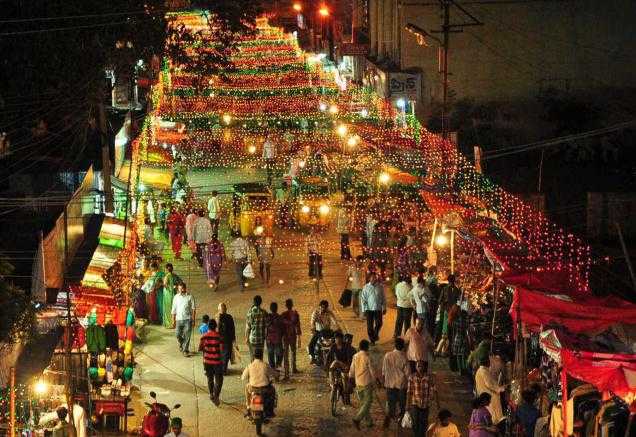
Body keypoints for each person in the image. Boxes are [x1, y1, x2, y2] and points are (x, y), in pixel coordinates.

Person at [382, 337, 410, 429]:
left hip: (389, 384)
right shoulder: (404, 357)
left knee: (391, 404)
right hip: (401, 385)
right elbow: (408, 374)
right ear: (402, 346)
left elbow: (384, 371)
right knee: (402, 405)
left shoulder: (387, 355)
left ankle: (388, 419)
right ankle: (400, 422)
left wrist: (383, 381)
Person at [349, 340, 378, 430]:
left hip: (358, 383)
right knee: (367, 403)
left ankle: (369, 422)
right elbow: (372, 371)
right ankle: (357, 419)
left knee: (363, 404)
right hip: (366, 383)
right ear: (367, 347)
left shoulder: (355, 356)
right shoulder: (367, 357)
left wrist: (350, 378)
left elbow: (352, 369)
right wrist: (376, 381)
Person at [241, 348, 277, 415]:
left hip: (253, 389)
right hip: (265, 389)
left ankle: (248, 406)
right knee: (273, 389)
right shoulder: (265, 365)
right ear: (261, 356)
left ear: (254, 356)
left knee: (246, 387)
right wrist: (276, 374)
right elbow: (273, 374)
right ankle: (271, 410)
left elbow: (243, 377)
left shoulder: (250, 366)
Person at [406, 360, 437, 437]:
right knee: (415, 422)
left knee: (424, 422)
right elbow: (409, 391)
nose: (420, 368)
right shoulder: (412, 377)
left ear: (424, 367)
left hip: (425, 404)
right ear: (416, 367)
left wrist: (436, 402)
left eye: (421, 366)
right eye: (418, 366)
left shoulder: (428, 378)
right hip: (415, 403)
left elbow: (433, 389)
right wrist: (407, 404)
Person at [199, 319, 224, 406]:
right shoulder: (219, 336)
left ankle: (211, 394)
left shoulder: (203, 336)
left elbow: (200, 348)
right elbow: (221, 350)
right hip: (217, 361)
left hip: (207, 361)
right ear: (215, 327)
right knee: (219, 380)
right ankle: (216, 395)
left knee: (210, 378)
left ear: (208, 327)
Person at [474, 357, 505, 425]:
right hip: (490, 396)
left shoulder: (481, 370)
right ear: (486, 363)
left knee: (492, 414)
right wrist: (499, 389)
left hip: (486, 395)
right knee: (494, 415)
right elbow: (489, 384)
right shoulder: (483, 371)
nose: (490, 364)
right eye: (489, 362)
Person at [326, 332, 356, 403]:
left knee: (345, 380)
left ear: (342, 339)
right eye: (336, 339)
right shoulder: (333, 347)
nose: (338, 340)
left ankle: (346, 394)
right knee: (334, 365)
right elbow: (329, 356)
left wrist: (348, 367)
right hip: (337, 366)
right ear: (335, 339)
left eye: (339, 339)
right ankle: (332, 383)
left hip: (345, 366)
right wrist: (326, 366)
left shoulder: (347, 347)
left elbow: (349, 358)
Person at [308, 300, 339, 364]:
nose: (324, 309)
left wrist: (338, 327)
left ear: (327, 307)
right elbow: (312, 322)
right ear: (320, 306)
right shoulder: (315, 312)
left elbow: (334, 321)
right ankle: (313, 357)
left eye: (325, 307)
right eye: (322, 307)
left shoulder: (329, 312)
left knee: (338, 340)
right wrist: (313, 328)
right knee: (310, 345)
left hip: (328, 332)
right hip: (318, 332)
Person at [360, 272, 386, 345]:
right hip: (369, 309)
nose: (374, 278)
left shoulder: (380, 287)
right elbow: (363, 299)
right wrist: (364, 310)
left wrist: (384, 307)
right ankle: (372, 340)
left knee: (379, 323)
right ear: (369, 278)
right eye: (373, 277)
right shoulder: (366, 287)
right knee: (369, 327)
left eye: (375, 277)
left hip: (378, 308)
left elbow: (383, 297)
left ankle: (375, 334)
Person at [171, 283, 196, 357]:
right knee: (177, 334)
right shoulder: (176, 297)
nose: (180, 290)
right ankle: (182, 343)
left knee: (187, 335)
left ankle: (185, 350)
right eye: (179, 289)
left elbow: (193, 309)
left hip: (187, 319)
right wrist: (173, 320)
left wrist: (193, 320)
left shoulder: (190, 297)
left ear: (185, 288)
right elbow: (173, 309)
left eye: (182, 289)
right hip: (178, 319)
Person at [281, 298, 301, 379]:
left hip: (285, 337)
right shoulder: (295, 314)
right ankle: (294, 368)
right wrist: (299, 337)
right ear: (292, 305)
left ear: (286, 305)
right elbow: (298, 326)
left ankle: (286, 372)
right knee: (293, 352)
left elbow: (281, 327)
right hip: (293, 336)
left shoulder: (283, 314)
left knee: (286, 354)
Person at [245, 295, 268, 361]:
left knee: (252, 357)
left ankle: (253, 370)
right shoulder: (264, 312)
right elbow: (266, 325)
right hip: (261, 339)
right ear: (261, 302)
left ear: (253, 302)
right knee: (260, 358)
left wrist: (246, 337)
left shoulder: (250, 312)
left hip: (252, 339)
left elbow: (248, 327)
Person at [217, 303, 236, 374]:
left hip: (224, 340)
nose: (223, 310)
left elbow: (232, 329)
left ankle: (223, 369)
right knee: (225, 355)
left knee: (224, 355)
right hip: (224, 340)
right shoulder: (220, 317)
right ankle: (223, 369)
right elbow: (232, 329)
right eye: (223, 309)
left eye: (223, 309)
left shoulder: (228, 317)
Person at [266, 302, 284, 370]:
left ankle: (273, 370)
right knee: (279, 356)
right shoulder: (280, 317)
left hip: (270, 340)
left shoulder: (268, 317)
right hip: (278, 339)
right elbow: (282, 329)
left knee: (270, 356)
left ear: (270, 309)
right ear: (277, 308)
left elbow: (266, 328)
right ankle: (277, 371)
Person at [162, 263, 181, 329]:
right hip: (174, 294)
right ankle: (175, 323)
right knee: (174, 308)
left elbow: (165, 285)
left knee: (168, 308)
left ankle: (169, 323)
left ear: (167, 269)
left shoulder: (167, 276)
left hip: (168, 295)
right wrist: (175, 287)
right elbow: (180, 282)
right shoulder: (175, 276)